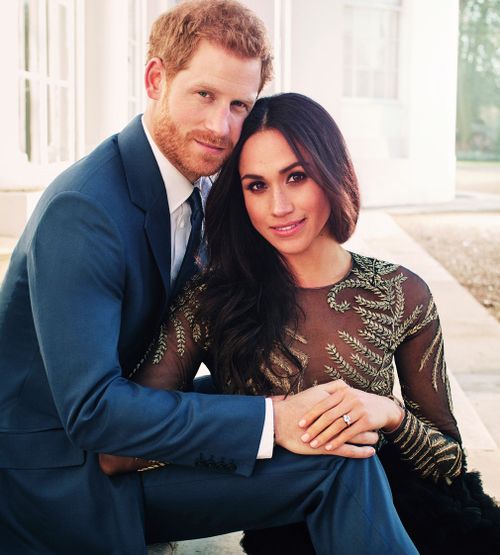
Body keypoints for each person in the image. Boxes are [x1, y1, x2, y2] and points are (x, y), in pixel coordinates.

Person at [0, 2, 418, 554]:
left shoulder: (193, 185)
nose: (222, 127)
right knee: (335, 465)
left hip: (132, 423)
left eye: (239, 103)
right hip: (63, 476)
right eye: (204, 95)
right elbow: (92, 412)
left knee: (325, 420)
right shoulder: (85, 211)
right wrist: (271, 420)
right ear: (156, 79)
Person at [101, 92, 499, 555]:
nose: (280, 206)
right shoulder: (212, 301)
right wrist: (256, 429)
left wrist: (389, 414)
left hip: (421, 511)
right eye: (257, 185)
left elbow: (449, 460)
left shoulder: (399, 293)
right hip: (293, 522)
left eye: (296, 176)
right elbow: (127, 441)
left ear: (331, 174)